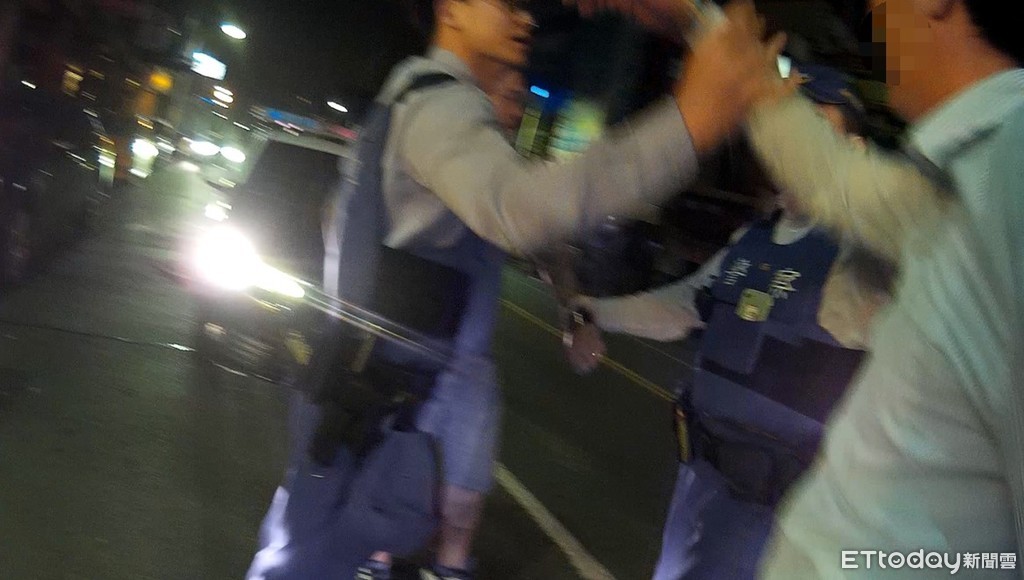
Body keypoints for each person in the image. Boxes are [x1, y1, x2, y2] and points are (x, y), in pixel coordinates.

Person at [246, 1, 783, 579]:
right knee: (309, 560)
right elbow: (518, 210)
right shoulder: (438, 104)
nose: (526, 19)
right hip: (375, 403)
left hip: (376, 396)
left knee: (337, 543)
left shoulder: (410, 99)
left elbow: (522, 232)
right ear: (451, 9)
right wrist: (691, 120)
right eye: (506, 4)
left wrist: (574, 306)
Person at [564, 65, 887, 580]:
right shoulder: (751, 242)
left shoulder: (861, 256)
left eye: (817, 134)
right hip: (702, 485)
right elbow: (685, 305)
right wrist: (596, 311)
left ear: (854, 151)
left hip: (779, 516)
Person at [741, 0, 1024, 576]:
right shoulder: (972, 171)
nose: (873, 10)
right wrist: (701, 25)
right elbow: (831, 179)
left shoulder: (1009, 173)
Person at [359, 65, 531, 580]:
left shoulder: (506, 176)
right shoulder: (438, 154)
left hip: (470, 370)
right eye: (507, 96)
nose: (516, 111)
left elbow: (548, 240)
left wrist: (574, 305)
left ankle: (448, 569)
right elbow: (347, 217)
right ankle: (374, 566)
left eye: (521, 102)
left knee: (462, 504)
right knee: (388, 491)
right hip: (408, 354)